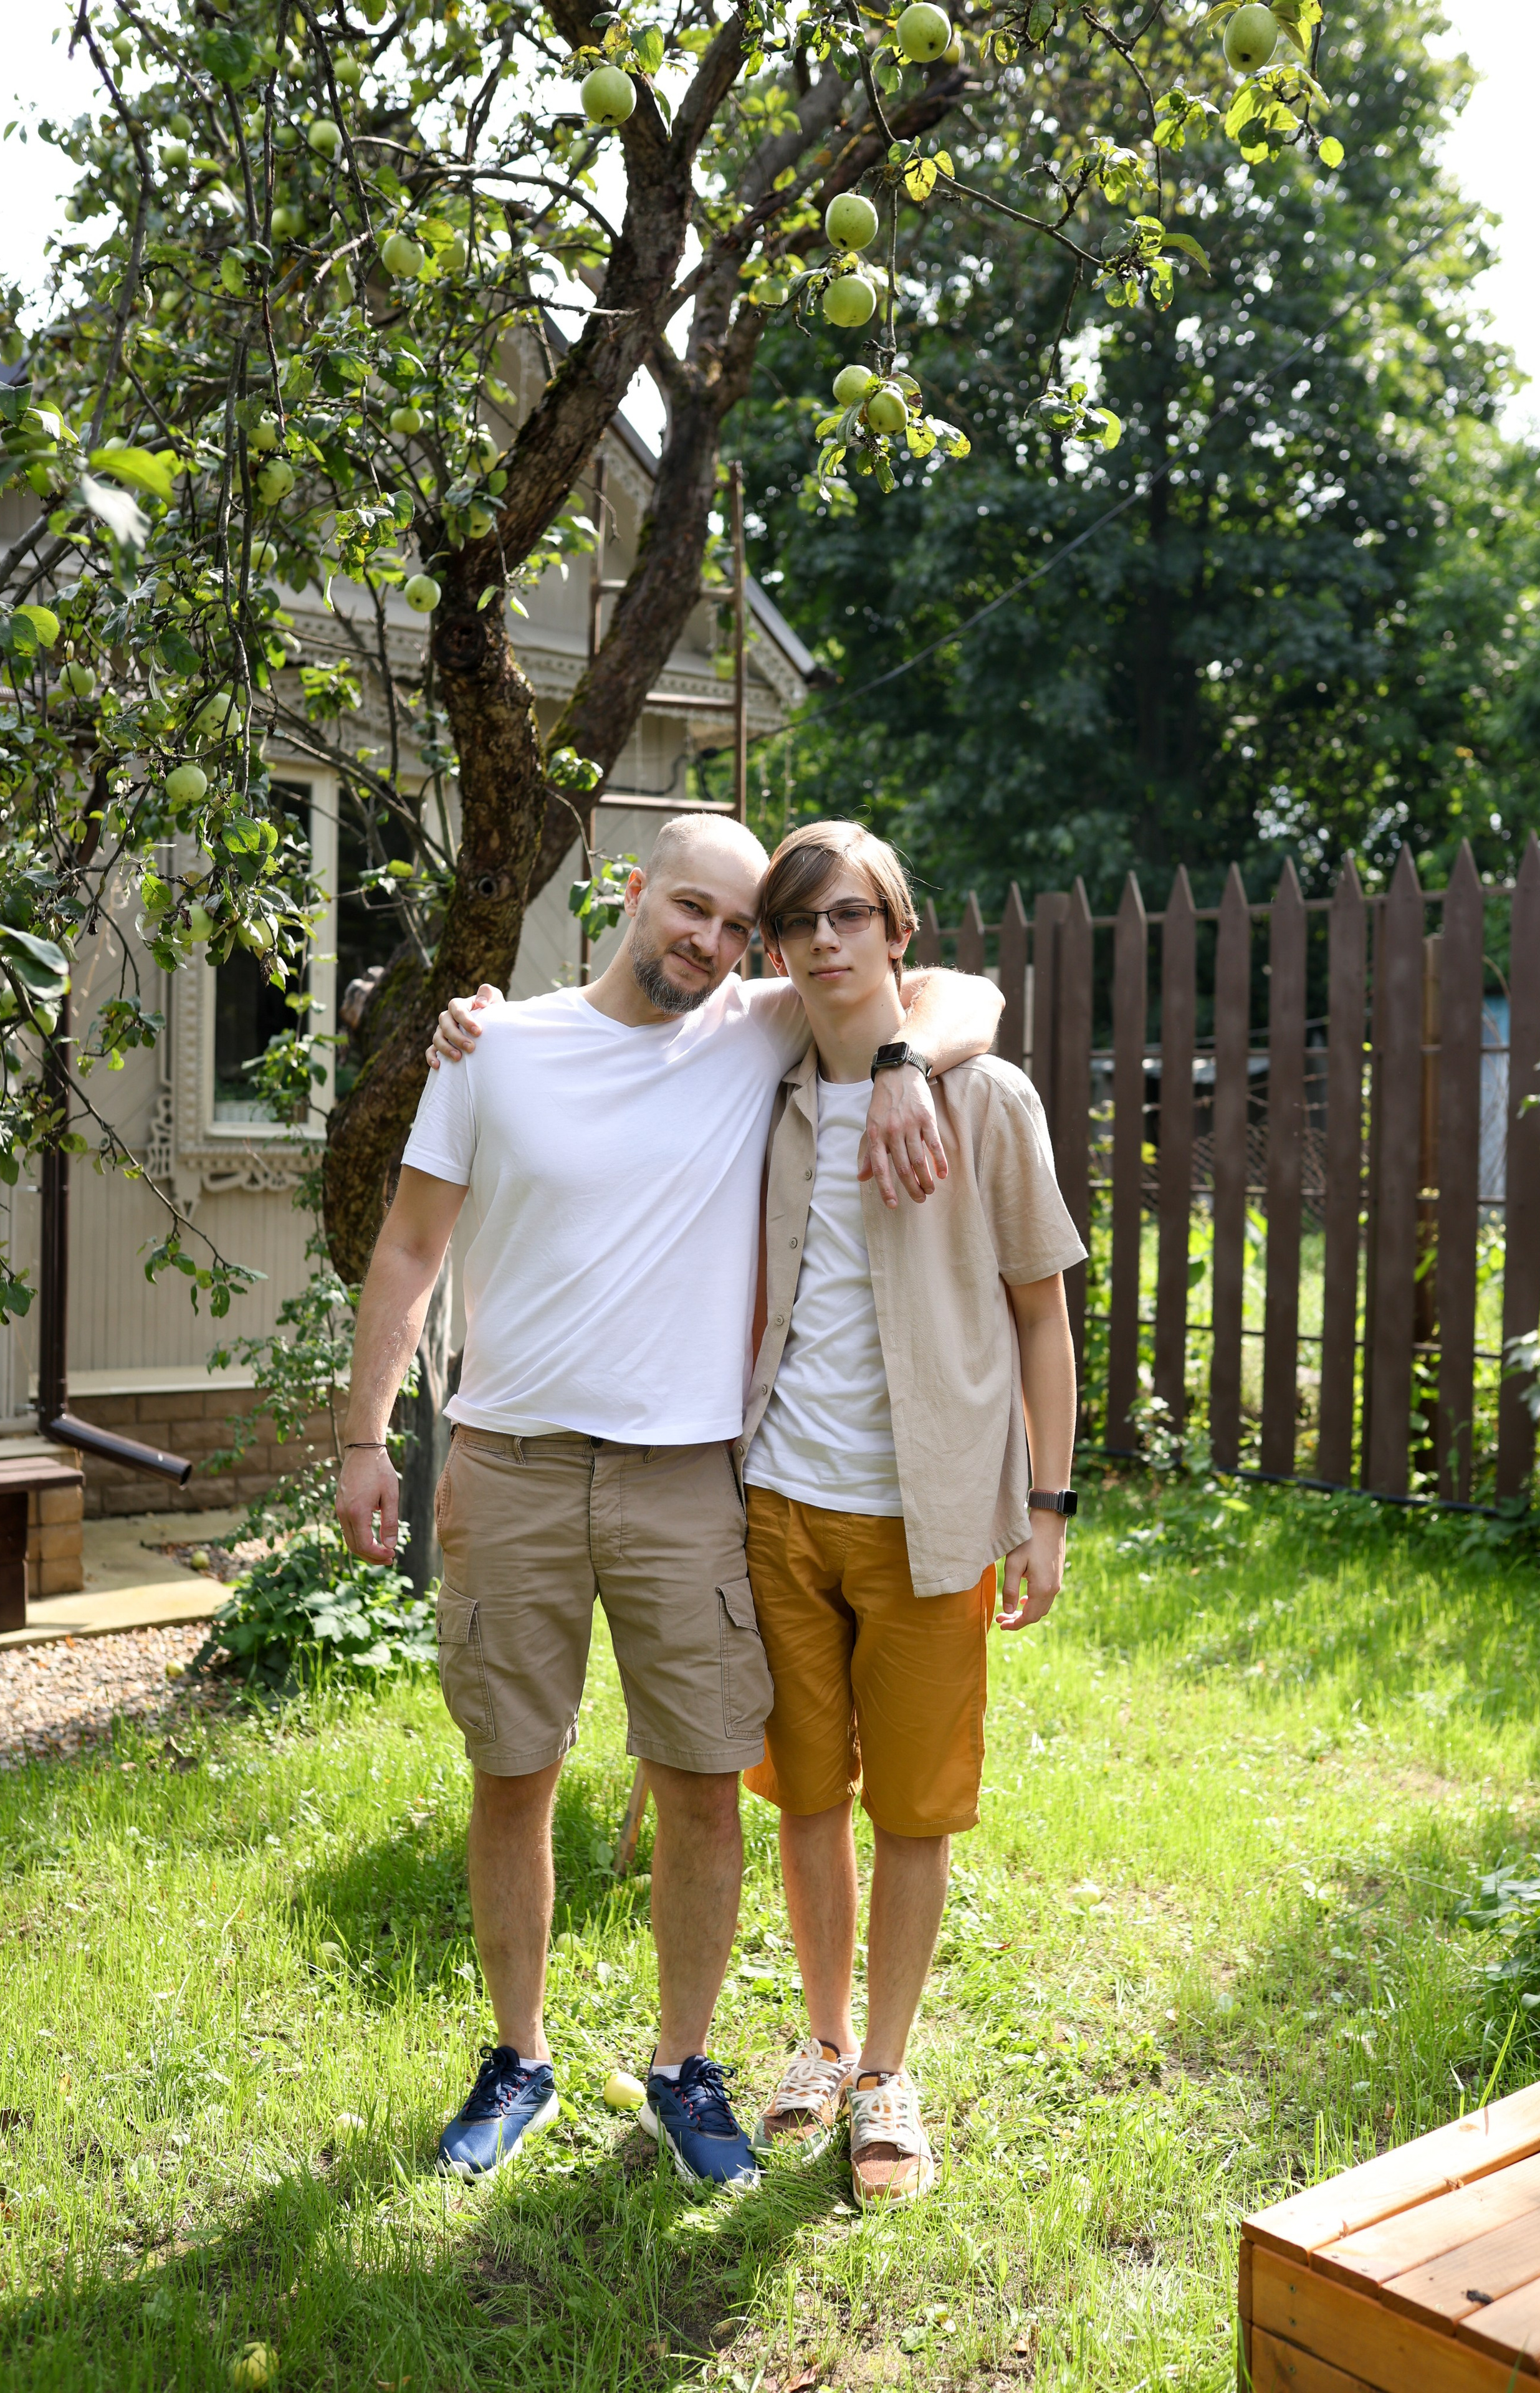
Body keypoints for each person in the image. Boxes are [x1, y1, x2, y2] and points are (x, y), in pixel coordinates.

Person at [333, 812, 1003, 2189]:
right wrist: (361, 1438)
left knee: (703, 1784)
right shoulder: (495, 1046)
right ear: (632, 893)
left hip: (688, 1477)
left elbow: (964, 993)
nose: (711, 942)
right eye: (690, 908)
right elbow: (409, 1246)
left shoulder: (755, 1026)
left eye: (739, 927)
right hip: (510, 1461)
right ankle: (517, 2060)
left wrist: (897, 1067)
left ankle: (683, 2069)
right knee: (512, 1774)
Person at [737, 820, 1083, 2207]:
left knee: (915, 1808)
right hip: (777, 1505)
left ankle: (888, 2069)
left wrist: (1046, 1506)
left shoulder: (984, 1099)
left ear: (897, 932)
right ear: (774, 948)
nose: (825, 941)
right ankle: (823, 2042)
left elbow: (1041, 1314)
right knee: (806, 1795)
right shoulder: (757, 1088)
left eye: (850, 916)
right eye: (798, 921)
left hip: (928, 1514)